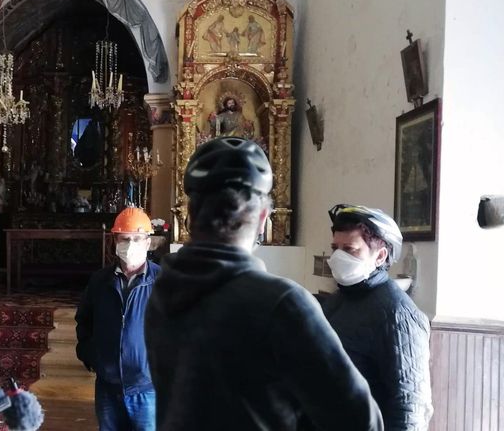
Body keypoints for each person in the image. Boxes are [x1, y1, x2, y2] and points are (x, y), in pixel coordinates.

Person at [145, 137, 383, 431]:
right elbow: (360, 421)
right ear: (262, 218)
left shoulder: (162, 289)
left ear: (191, 214)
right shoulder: (281, 302)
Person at [324, 204, 434, 430]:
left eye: (350, 249)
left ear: (380, 256)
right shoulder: (336, 301)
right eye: (335, 247)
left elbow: (410, 405)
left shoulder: (398, 314)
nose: (337, 256)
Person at [76, 207, 160, 431]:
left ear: (147, 243)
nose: (130, 245)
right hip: (107, 388)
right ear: (115, 241)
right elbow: (84, 320)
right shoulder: (100, 281)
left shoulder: (164, 282)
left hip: (148, 389)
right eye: (125, 239)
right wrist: (90, 355)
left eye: (137, 239)